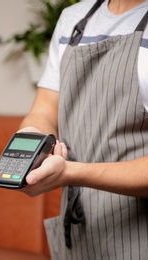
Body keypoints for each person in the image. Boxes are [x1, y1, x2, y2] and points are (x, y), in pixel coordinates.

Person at [17, 0, 148, 259]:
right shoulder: (73, 19)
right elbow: (43, 109)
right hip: (80, 232)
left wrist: (71, 172)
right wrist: (29, 149)